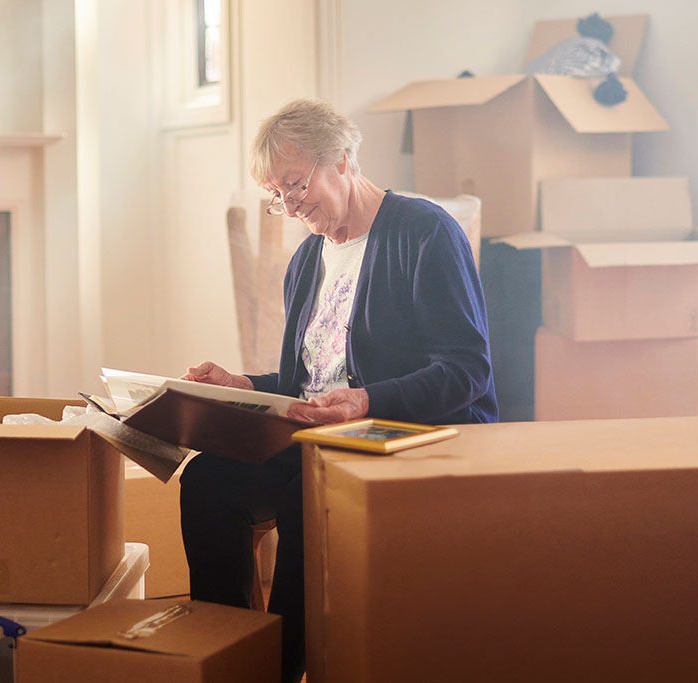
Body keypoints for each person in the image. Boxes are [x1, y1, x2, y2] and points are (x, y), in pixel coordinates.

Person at [178, 98, 498, 682]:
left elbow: (467, 369)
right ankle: (225, 657)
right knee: (207, 479)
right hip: (325, 434)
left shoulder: (425, 232)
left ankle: (278, 666)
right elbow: (309, 386)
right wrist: (243, 385)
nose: (291, 206)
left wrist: (367, 400)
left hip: (408, 433)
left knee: (308, 491)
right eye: (278, 196)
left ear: (343, 162)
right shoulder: (306, 260)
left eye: (297, 186)